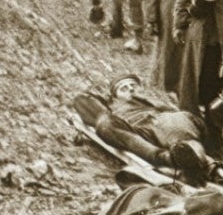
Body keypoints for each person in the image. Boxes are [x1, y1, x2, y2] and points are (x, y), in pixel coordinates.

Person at [72, 74, 212, 182]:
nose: (130, 89)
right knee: (105, 123)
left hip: (164, 121)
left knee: (177, 121)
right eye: (124, 88)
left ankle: (192, 160)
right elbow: (82, 101)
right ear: (115, 96)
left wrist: (146, 100)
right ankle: (168, 158)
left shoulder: (152, 100)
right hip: (139, 131)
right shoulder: (112, 108)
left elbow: (177, 113)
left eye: (133, 85)